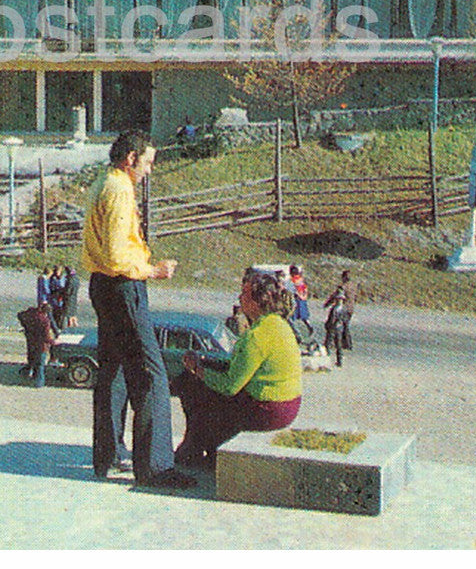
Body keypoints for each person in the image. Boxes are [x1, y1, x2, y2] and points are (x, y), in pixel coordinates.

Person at [82, 128, 193, 489]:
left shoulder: (103, 182)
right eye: (146, 163)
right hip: (122, 286)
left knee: (112, 371)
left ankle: (108, 454)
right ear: (131, 158)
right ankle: (156, 467)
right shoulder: (119, 189)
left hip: (102, 285)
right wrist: (153, 271)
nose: (149, 170)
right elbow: (117, 256)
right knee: (150, 373)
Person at [171, 270, 303, 470]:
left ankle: (198, 450)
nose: (239, 298)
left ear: (256, 302)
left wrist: (198, 369)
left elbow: (230, 386)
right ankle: (196, 448)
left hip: (269, 409)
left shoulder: (257, 336)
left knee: (194, 389)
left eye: (244, 294)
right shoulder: (278, 324)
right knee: (200, 387)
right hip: (287, 404)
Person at [16, 300, 58, 388]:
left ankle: (29, 375)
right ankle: (39, 383)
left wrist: (25, 326)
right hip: (41, 345)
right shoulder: (45, 321)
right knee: (40, 365)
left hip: (31, 341)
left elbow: (20, 315)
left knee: (32, 360)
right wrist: (53, 342)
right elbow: (46, 337)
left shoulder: (31, 313)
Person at [322, 269, 356, 366]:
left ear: (343, 277)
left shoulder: (342, 287)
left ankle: (333, 347)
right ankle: (347, 344)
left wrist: (327, 304)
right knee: (345, 326)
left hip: (343, 309)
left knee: (334, 331)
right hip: (350, 309)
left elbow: (335, 296)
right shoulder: (353, 286)